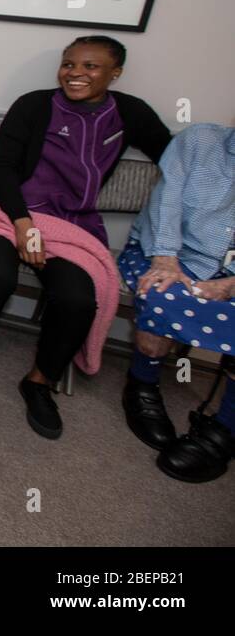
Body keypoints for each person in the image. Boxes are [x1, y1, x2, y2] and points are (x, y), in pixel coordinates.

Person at [0, 35, 171, 439]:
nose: (75, 74)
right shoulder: (33, 105)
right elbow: (3, 167)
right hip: (2, 210)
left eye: (90, 67)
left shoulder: (130, 113)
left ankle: (40, 381)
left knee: (79, 297)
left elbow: (177, 157)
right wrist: (23, 224)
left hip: (70, 224)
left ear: (115, 73)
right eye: (69, 64)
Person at [118, 122, 234, 482]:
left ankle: (225, 429)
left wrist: (231, 285)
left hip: (230, 272)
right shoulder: (199, 141)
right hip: (166, 252)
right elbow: (166, 200)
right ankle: (143, 384)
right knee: (160, 293)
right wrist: (166, 258)